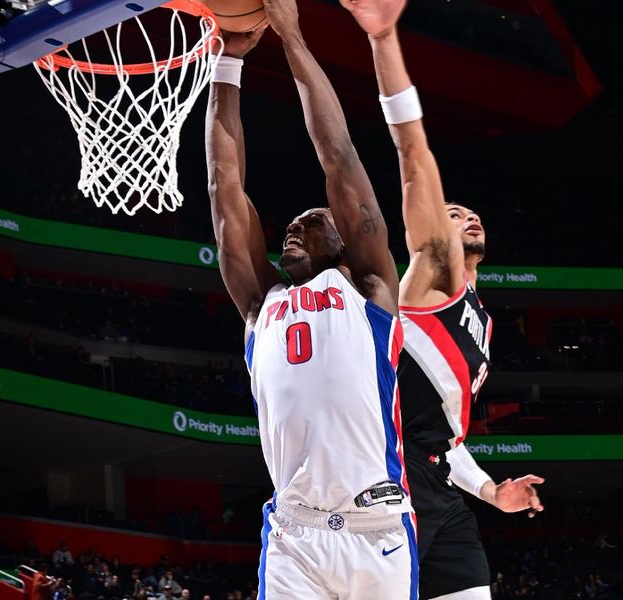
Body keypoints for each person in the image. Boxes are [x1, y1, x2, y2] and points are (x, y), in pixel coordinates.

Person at [204, 2, 416, 597]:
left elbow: (339, 155)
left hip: (377, 529)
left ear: (348, 241)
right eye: (291, 225)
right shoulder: (260, 304)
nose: (293, 228)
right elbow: (226, 188)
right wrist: (228, 64)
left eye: (312, 222)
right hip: (295, 534)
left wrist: (293, 36)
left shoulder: (369, 287)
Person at [341, 1, 545, 598]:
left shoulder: (482, 321)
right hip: (388, 488)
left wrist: (491, 492)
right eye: (452, 213)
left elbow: (448, 441)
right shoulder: (434, 275)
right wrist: (383, 39)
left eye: (471, 211)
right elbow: (413, 159)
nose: (465, 215)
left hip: (441, 492)